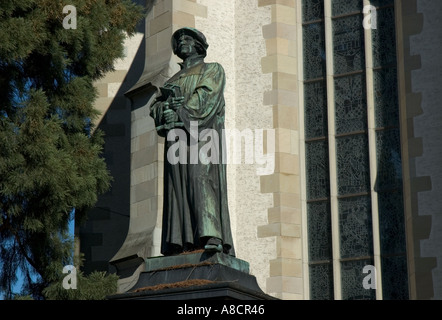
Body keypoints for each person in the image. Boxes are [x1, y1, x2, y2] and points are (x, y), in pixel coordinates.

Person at [150, 27, 235, 256]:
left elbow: (206, 98)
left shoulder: (212, 69)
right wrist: (164, 113)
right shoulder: (173, 79)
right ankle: (180, 243)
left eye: (187, 38)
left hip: (203, 139)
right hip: (176, 142)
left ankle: (211, 235)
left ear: (199, 44)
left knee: (200, 180)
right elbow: (156, 107)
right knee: (177, 190)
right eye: (178, 40)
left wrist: (179, 113)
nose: (181, 42)